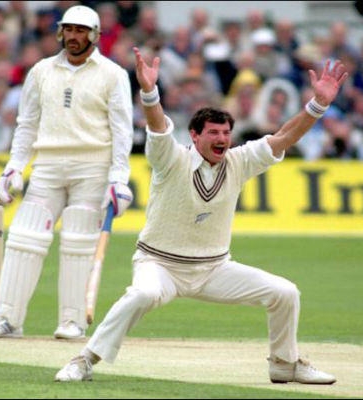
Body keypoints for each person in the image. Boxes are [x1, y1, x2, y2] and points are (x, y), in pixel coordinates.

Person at [54, 47, 347, 384]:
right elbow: (158, 126)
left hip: (213, 268)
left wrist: (318, 105)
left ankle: (284, 364)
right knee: (142, 294)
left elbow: (283, 137)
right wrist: (149, 92)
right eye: (213, 133)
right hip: (160, 264)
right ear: (194, 136)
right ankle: (84, 360)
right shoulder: (171, 159)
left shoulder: (239, 161)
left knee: (285, 293)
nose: (222, 139)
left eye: (226, 133)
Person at [0, 5, 134, 340]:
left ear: (94, 35)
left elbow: (122, 130)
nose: (74, 37)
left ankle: (72, 322)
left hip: (92, 167)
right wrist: (15, 166)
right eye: (69, 30)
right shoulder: (41, 71)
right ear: (61, 32)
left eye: (81, 31)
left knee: (78, 243)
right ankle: (8, 320)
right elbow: (27, 123)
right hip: (47, 165)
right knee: (24, 238)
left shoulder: (113, 74)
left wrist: (119, 178)